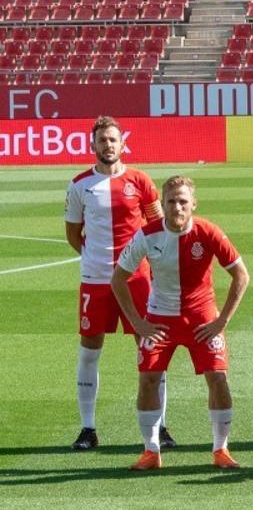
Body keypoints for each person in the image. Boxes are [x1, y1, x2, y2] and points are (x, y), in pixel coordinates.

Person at [112, 176, 249, 470]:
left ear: (193, 204)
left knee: (218, 378)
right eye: (172, 201)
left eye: (183, 201)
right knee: (148, 379)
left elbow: (241, 275)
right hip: (160, 318)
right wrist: (138, 322)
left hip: (202, 319)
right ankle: (151, 451)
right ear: (162, 204)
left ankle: (221, 449)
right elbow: (118, 279)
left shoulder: (208, 231)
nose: (177, 207)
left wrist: (221, 320)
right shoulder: (146, 235)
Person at [64, 116, 176, 451]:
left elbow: (159, 228)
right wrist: (96, 259)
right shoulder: (80, 185)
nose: (108, 145)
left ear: (122, 143)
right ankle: (88, 428)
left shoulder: (140, 181)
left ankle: (160, 427)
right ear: (93, 145)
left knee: (151, 349)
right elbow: (73, 234)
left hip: (138, 280)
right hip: (95, 280)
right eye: (102, 140)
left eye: (113, 139)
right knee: (89, 350)